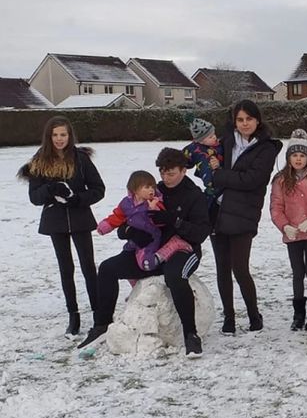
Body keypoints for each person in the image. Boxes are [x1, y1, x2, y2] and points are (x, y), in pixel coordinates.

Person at [78, 148, 211, 358]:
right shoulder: (152, 191)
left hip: (184, 249)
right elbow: (126, 215)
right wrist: (129, 232)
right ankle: (101, 324)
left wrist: (174, 221)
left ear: (183, 171)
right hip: (150, 250)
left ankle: (191, 335)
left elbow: (201, 233)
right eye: (162, 173)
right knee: (107, 268)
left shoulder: (194, 196)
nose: (165, 178)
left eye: (171, 173)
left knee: (175, 276)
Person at [18, 116, 105, 339]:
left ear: (70, 136)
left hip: (80, 218)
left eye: (63, 135)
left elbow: (98, 189)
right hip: (55, 222)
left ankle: (98, 313)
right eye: (55, 135)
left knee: (88, 266)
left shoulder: (81, 159)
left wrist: (78, 199)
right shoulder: (39, 161)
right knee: (66, 269)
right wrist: (50, 189)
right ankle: (73, 315)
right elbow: (34, 197)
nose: (59, 139)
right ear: (49, 136)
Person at [209, 100, 282, 335]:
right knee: (222, 268)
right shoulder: (225, 141)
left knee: (240, 268)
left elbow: (253, 180)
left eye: (249, 119)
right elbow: (205, 163)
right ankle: (228, 318)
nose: (244, 124)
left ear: (257, 120)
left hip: (243, 214)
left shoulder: (267, 148)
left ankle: (253, 315)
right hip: (217, 212)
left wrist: (221, 176)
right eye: (240, 119)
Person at [270, 129, 307, 332]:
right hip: (292, 233)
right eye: (294, 155)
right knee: (297, 272)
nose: (298, 159)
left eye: (302, 155)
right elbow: (276, 207)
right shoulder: (280, 180)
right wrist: (285, 225)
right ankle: (298, 312)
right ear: (288, 158)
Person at [96, 170, 193, 271]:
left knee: (147, 265)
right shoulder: (126, 203)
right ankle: (136, 286)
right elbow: (117, 216)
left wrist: (153, 210)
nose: (151, 190)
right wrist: (106, 225)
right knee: (126, 265)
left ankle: (173, 245)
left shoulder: (154, 202)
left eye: (152, 187)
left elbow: (162, 222)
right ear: (135, 189)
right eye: (147, 187)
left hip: (151, 239)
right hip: (134, 240)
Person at [182, 116, 224, 208]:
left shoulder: (220, 146)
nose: (214, 138)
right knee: (208, 202)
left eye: (214, 134)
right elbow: (183, 158)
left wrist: (219, 163)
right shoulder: (194, 148)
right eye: (210, 137)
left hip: (220, 179)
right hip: (208, 180)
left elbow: (227, 159)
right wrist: (183, 165)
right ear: (200, 141)